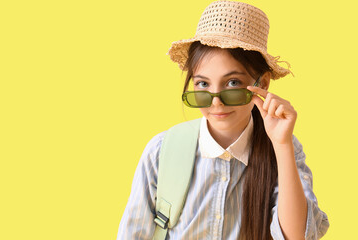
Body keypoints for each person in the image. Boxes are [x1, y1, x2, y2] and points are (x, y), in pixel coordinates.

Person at [117, 1, 329, 239]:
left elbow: (296, 236)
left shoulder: (282, 150)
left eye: (233, 83)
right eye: (203, 84)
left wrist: (282, 145)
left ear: (263, 84)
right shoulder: (161, 151)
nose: (215, 102)